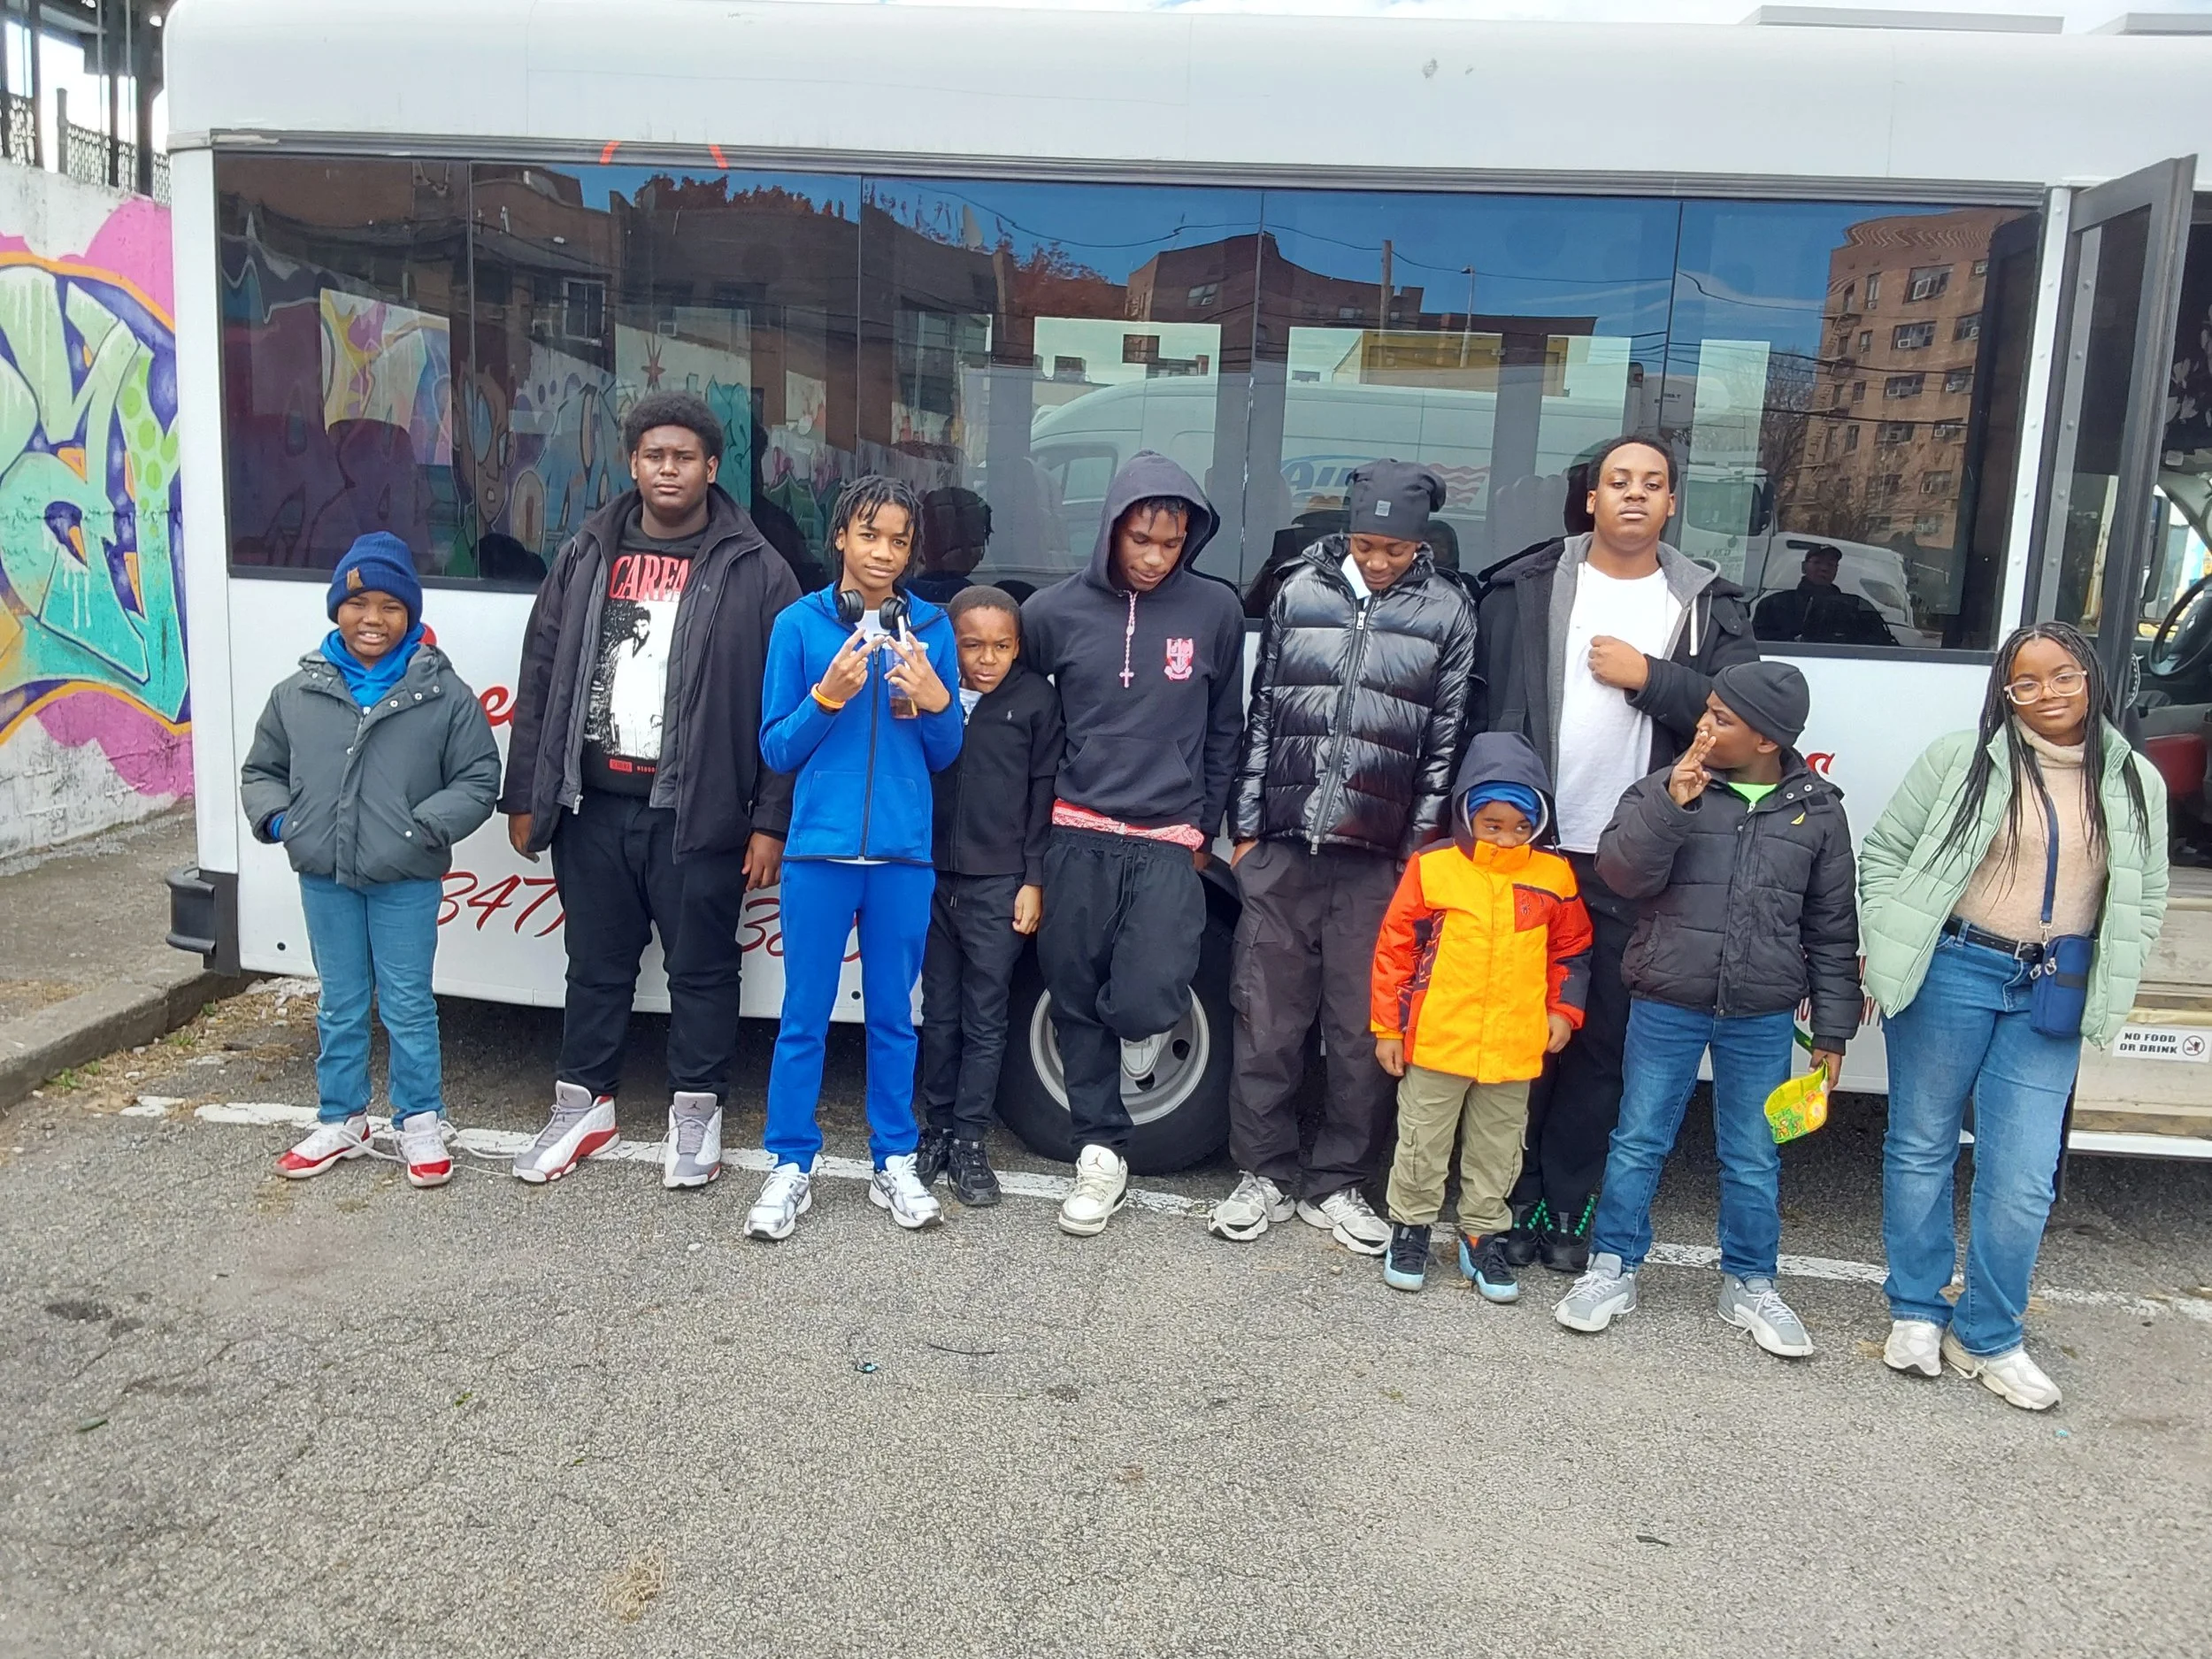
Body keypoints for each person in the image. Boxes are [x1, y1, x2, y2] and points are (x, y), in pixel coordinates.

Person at [1468, 434, 1758, 1273]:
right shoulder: (1524, 588)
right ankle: (1505, 1197)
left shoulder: (1707, 603)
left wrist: (1651, 676)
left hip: (1639, 863)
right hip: (1533, 852)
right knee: (1519, 1036)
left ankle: (1569, 1201)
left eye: (1652, 483)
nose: (1635, 494)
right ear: (1590, 498)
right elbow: (1477, 716)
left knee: (1603, 1044)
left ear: (1671, 503)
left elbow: (1747, 719)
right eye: (1618, 481)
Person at [1862, 622, 2168, 1410]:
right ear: (2006, 692)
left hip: (2052, 987)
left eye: (2062, 675)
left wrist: (2116, 969)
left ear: (2091, 677)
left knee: (2025, 1173)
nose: (2046, 694)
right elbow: (1885, 853)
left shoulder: (2134, 780)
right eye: (2025, 682)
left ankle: (1988, 1334)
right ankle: (1916, 1310)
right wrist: (1884, 937)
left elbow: (2148, 893)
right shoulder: (1960, 759)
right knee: (1922, 1143)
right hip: (1953, 967)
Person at [501, 390, 799, 1191]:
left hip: (700, 813)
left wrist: (771, 820)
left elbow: (783, 706)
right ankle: (582, 1104)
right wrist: (525, 792)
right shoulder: (585, 553)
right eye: (655, 456)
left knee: (703, 970)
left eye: (685, 457)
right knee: (595, 966)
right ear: (632, 463)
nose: (669, 469)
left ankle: (696, 1110)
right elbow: (541, 674)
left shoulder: (757, 568)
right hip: (591, 806)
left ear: (712, 466)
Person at [1210, 460, 1479, 1256]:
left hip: (1380, 858)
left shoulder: (1449, 610)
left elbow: (1445, 740)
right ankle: (1262, 1172)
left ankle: (1337, 1181)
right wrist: (1247, 829)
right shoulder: (1299, 591)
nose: (1379, 561)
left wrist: (1417, 852)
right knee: (1266, 1019)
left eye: (1396, 549)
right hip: (1283, 844)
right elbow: (1264, 713)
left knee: (1363, 1030)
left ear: (1421, 543)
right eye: (1366, 545)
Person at [1553, 663, 1858, 1356]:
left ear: (1766, 739)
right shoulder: (1664, 786)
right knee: (1639, 1139)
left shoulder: (1817, 809)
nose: (1702, 725)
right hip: (1667, 997)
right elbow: (1621, 874)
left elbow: (1833, 927)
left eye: (1722, 717)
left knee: (1754, 1153)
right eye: (1707, 710)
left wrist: (1833, 1029)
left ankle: (1750, 1281)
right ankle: (1613, 1266)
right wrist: (1672, 805)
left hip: (1762, 1012)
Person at [1021, 452, 1244, 1236]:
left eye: (1172, 543)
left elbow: (1225, 728)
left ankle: (1129, 1050)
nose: (1155, 557)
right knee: (1072, 994)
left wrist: (1204, 826)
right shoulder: (1051, 612)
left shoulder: (1215, 611)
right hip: (1076, 831)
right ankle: (1100, 1153)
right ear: (1111, 528)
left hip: (1167, 837)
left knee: (1149, 993)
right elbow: (1022, 716)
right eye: (1141, 539)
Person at [241, 533, 501, 1188]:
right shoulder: (297, 693)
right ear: (338, 609)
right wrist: (286, 823)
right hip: (325, 876)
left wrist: (422, 830)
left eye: (391, 606)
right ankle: (343, 1118)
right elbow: (262, 770)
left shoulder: (443, 694)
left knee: (408, 1002)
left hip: (405, 878)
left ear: (410, 614)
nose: (373, 620)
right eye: (358, 604)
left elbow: (478, 777)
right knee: (340, 1001)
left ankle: (420, 1119)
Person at [745, 476, 964, 1240]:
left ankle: (893, 1160)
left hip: (903, 857)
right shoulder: (798, 625)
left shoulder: (932, 628)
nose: (884, 552)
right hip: (818, 853)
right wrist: (827, 696)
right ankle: (790, 1164)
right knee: (803, 1016)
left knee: (895, 1020)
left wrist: (937, 698)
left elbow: (945, 751)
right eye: (870, 535)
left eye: (899, 540)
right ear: (840, 536)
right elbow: (777, 747)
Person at [1370, 733, 1592, 1300]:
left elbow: (1571, 950)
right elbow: (1396, 949)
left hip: (1513, 1047)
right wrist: (1388, 1028)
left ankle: (1481, 1236)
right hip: (1438, 1038)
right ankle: (1410, 1229)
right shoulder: (1433, 866)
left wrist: (1563, 1010)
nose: (1507, 837)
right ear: (1467, 813)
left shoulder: (1554, 875)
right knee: (1422, 1142)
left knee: (1499, 1149)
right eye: (1493, 824)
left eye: (1521, 826)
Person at [917, 585, 1064, 1207]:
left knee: (985, 1017)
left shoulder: (1035, 701)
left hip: (999, 884)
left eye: (1002, 646)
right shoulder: (926, 691)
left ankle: (972, 1139)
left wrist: (1033, 879)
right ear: (949, 642)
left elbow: (1043, 795)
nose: (986, 658)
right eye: (972, 645)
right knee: (938, 1015)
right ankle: (936, 1130)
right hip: (930, 878)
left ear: (1019, 646)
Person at [1751, 544, 1895, 647]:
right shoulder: (1774, 605)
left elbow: (1882, 647)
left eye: (1831, 564)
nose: (1824, 568)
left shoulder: (1856, 607)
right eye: (1817, 562)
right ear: (1804, 567)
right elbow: (1756, 646)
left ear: (1836, 570)